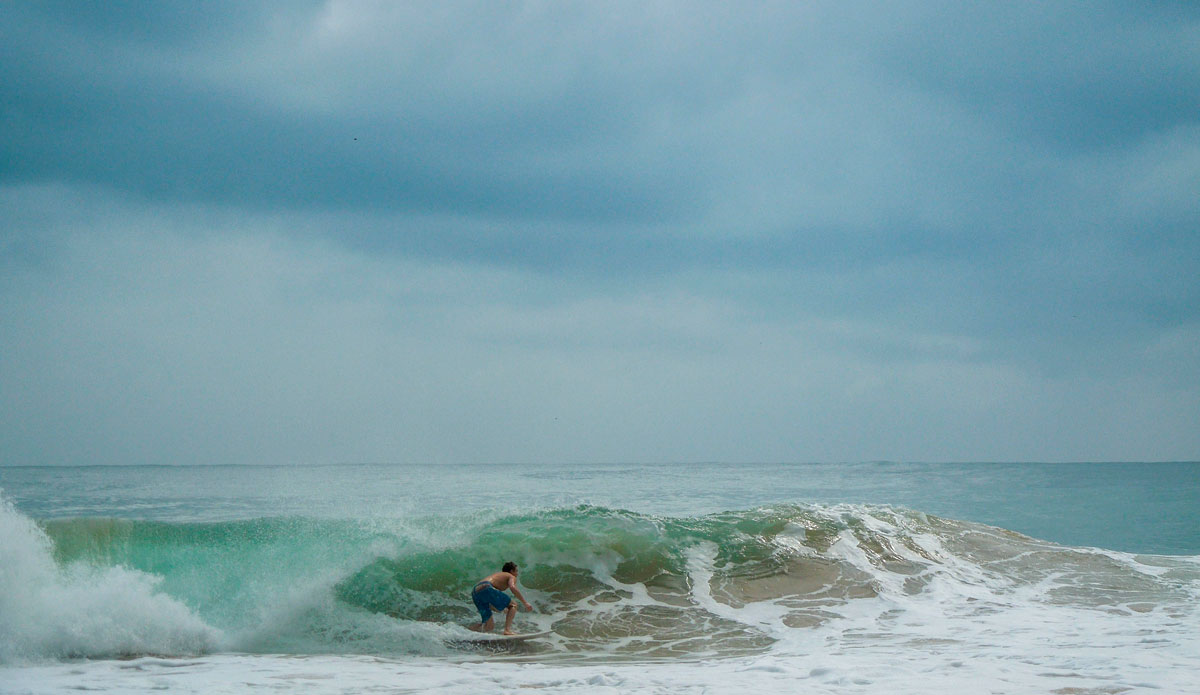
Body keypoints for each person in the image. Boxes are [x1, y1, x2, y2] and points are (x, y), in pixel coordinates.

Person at [468, 561, 532, 635]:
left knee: (488, 626)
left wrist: (500, 608)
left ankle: (467, 631)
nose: (517, 574)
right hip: (486, 587)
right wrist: (525, 603)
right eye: (516, 571)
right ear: (511, 571)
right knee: (513, 605)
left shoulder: (498, 575)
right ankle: (507, 630)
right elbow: (512, 587)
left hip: (475, 592)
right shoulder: (511, 576)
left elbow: (488, 599)